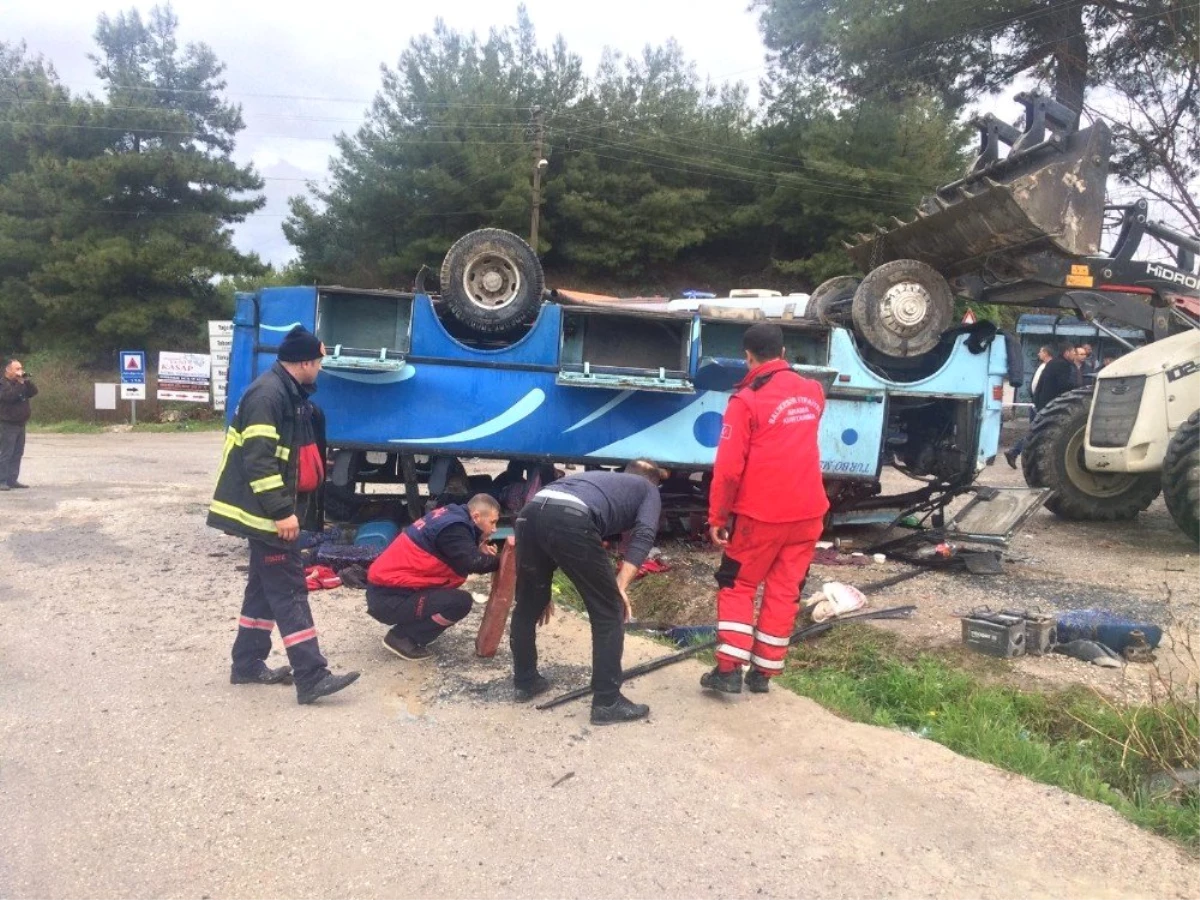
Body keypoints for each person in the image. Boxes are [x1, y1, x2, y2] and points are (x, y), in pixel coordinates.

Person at [207, 325, 360, 705]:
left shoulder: (286, 392)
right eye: (320, 362)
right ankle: (311, 677)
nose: (321, 369)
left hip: (266, 513)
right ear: (306, 362)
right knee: (290, 590)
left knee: (262, 592)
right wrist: (282, 512)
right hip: (264, 514)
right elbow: (258, 462)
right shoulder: (268, 395)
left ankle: (246, 664)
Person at [702, 322, 829, 695]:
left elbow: (727, 469)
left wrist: (717, 517)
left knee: (738, 584)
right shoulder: (812, 392)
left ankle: (728, 672)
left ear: (747, 357)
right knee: (784, 589)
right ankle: (763, 674)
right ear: (784, 352)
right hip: (808, 514)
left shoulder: (746, 400)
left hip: (761, 516)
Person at [509, 459, 664, 725]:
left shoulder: (595, 480)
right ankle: (607, 701)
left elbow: (551, 523)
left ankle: (526, 681)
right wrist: (620, 587)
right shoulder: (648, 490)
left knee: (528, 605)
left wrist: (540, 590)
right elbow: (644, 534)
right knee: (609, 610)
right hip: (569, 517)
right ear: (654, 481)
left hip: (530, 512)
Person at [366, 494, 502, 660]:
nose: (494, 529)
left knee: (449, 596)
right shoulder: (454, 529)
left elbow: (459, 556)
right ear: (476, 517)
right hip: (388, 598)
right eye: (493, 522)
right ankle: (402, 638)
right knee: (459, 603)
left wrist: (479, 550)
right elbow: (473, 563)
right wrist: (502, 561)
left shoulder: (452, 515)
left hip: (388, 590)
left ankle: (408, 630)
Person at [1005, 345, 1053, 468]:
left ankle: (1016, 452)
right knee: (1035, 432)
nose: (1038, 354)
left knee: (1036, 432)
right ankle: (1016, 452)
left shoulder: (1048, 367)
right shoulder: (1044, 366)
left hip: (1039, 404)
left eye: (1041, 351)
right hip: (1037, 404)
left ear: (1046, 353)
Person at [0, 359, 36, 490]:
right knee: (6, 453)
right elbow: (8, 397)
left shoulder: (20, 383)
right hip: (8, 423)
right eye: (17, 369)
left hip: (21, 423)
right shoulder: (3, 384)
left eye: (21, 368)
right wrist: (20, 385)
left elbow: (34, 392)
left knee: (17, 453)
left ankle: (12, 479)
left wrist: (26, 381)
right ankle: (1, 480)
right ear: (8, 370)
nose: (19, 371)